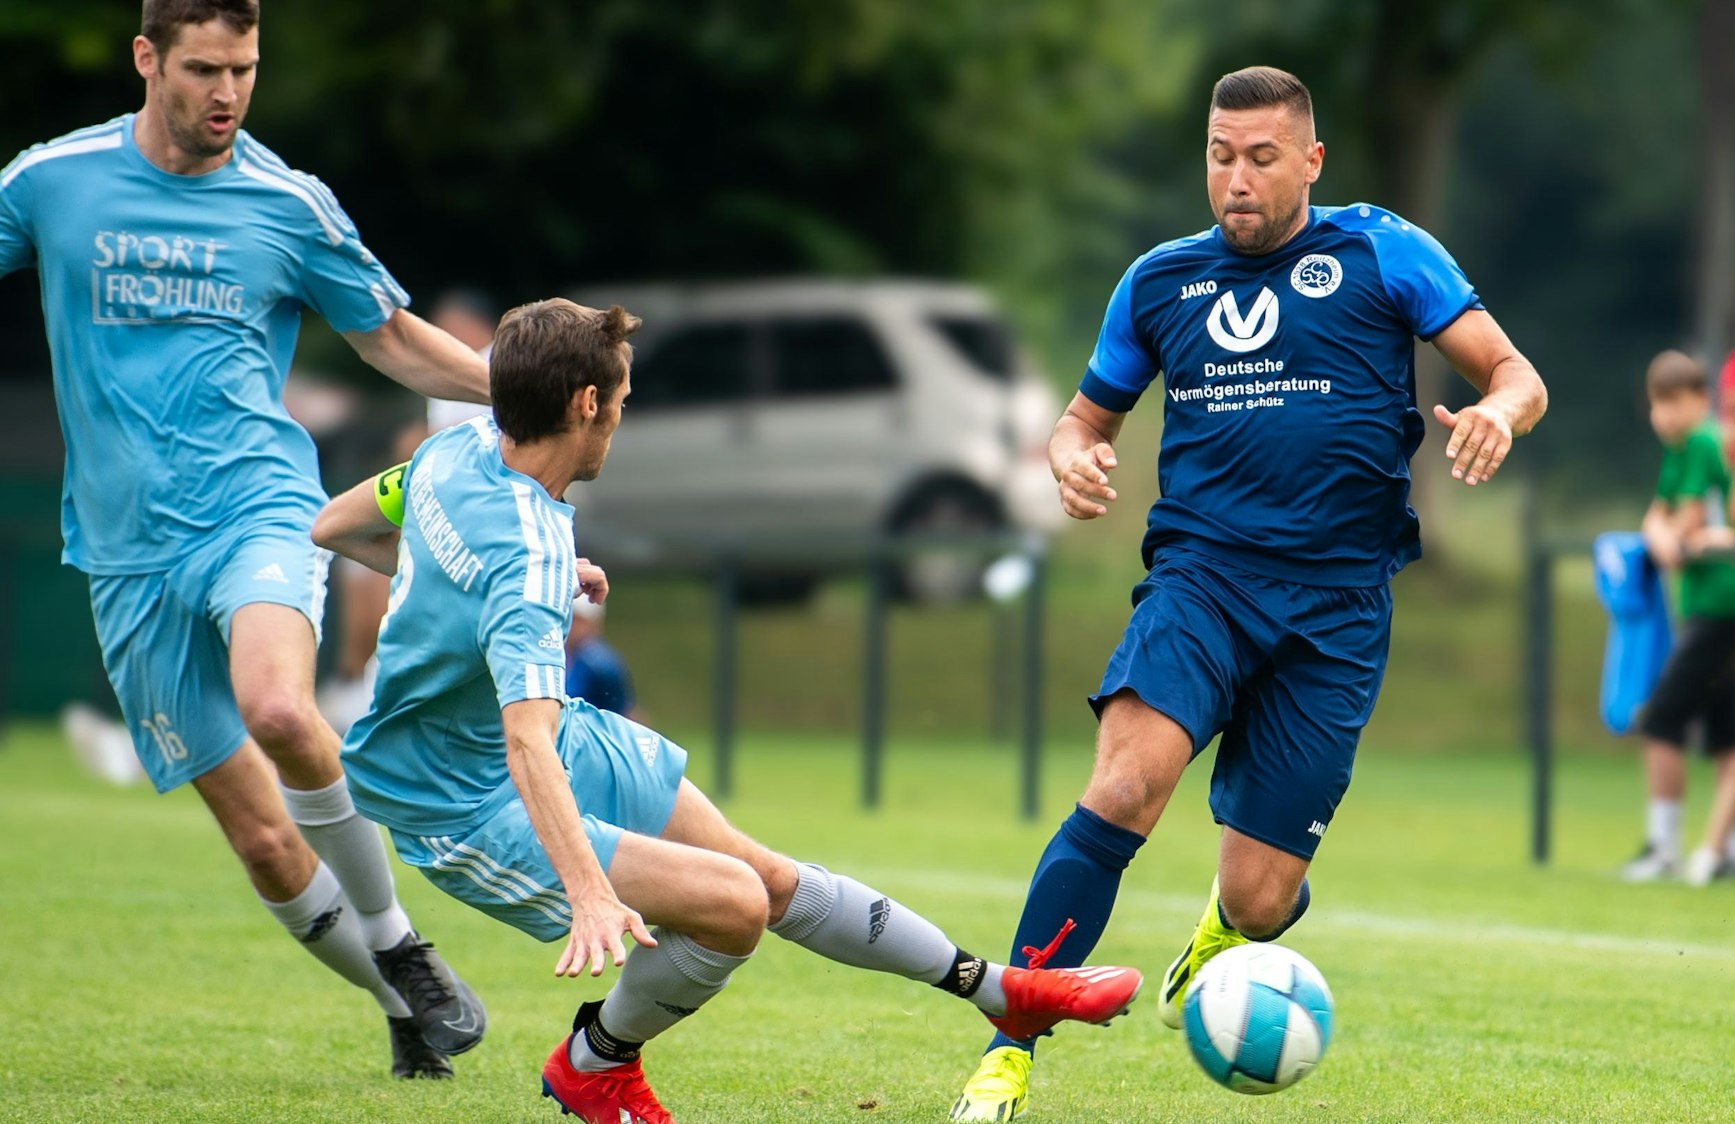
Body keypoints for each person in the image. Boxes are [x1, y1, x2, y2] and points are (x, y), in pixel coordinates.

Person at [312, 298, 1143, 1124]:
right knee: (732, 907)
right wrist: (590, 892)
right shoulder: (524, 553)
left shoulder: (452, 454)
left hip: (541, 736)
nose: (621, 422)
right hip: (457, 796)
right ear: (585, 404)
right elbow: (525, 739)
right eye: (623, 403)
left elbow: (337, 525)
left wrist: (509, 592)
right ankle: (592, 1066)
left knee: (768, 878)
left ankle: (1004, 994)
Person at [948, 66, 1548, 1122]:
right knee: (1126, 786)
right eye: (1221, 157)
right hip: (1202, 579)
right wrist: (1072, 456)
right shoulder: (1159, 282)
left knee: (1264, 896)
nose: (1237, 179)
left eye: (1261, 158)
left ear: (1309, 161)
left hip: (1338, 605)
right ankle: (1008, 1048)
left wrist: (1499, 412)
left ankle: (1222, 935)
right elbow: (1083, 419)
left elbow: (1515, 372)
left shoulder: (1380, 250)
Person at [0, 0, 490, 1079]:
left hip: (258, 508)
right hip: (126, 554)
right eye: (206, 69)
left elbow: (394, 339)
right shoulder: (50, 182)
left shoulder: (286, 203)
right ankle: (400, 1000)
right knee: (264, 840)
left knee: (280, 706)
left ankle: (401, 943)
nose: (228, 93)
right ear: (147, 59)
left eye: (248, 69)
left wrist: (521, 388)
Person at [322, 289, 502, 733]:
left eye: (446, 324)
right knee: (351, 554)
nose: (441, 334)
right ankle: (356, 691)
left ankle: (363, 700)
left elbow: (454, 452)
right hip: (443, 515)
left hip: (479, 529)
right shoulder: (456, 381)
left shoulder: (503, 363)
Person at [1626, 351, 1735, 886]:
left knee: (1661, 720)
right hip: (1707, 604)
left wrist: (1663, 534)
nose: (1667, 415)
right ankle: (1734, 849)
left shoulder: (1701, 440)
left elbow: (1683, 523)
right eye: (1658, 403)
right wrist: (1660, 531)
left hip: (1723, 601)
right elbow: (1659, 518)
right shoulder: (1678, 448)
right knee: (1728, 734)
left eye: (1677, 402)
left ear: (1701, 401)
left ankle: (1664, 847)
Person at [566, 594, 637, 717]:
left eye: (577, 620)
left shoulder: (603, 665)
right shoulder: (552, 654)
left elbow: (620, 712)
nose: (571, 625)